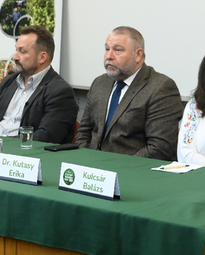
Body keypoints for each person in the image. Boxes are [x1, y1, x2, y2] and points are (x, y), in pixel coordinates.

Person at [74, 26, 182, 159]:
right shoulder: (99, 83)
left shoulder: (160, 87)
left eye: (118, 50)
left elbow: (159, 148)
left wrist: (115, 167)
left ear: (138, 55)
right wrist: (86, 160)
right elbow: (83, 133)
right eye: (107, 49)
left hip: (132, 168)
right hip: (91, 165)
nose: (109, 56)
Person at [0, 25, 78, 144]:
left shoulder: (60, 92)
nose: (15, 57)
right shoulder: (9, 81)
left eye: (22, 51)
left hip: (21, 153)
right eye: (16, 50)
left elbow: (44, 137)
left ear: (42, 57)